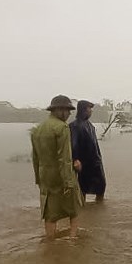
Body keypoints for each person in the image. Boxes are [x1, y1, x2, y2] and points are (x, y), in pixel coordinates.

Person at [31, 95, 83, 239]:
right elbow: (65, 158)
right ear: (60, 110)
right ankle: (73, 240)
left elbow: (34, 157)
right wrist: (69, 182)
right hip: (61, 176)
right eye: (67, 110)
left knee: (50, 213)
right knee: (73, 210)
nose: (69, 114)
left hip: (45, 177)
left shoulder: (38, 129)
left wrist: (38, 178)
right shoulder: (62, 127)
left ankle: (50, 242)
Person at [70, 100, 107, 202]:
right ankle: (83, 212)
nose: (91, 111)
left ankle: (97, 210)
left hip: (95, 162)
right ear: (83, 110)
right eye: (89, 109)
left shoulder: (89, 125)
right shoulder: (75, 126)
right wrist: (75, 159)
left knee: (101, 187)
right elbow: (73, 144)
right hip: (84, 163)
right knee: (82, 189)